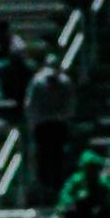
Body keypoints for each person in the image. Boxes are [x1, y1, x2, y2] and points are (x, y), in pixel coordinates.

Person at [23, 55, 75, 200]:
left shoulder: (59, 82)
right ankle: (47, 188)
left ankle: (53, 187)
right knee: (46, 157)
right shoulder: (40, 82)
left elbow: (30, 104)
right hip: (48, 124)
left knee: (54, 157)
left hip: (51, 124)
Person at [56, 150, 110, 218]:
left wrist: (104, 202)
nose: (91, 172)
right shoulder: (75, 181)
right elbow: (64, 197)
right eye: (89, 168)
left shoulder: (104, 183)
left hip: (97, 213)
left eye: (94, 168)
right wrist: (75, 199)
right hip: (78, 212)